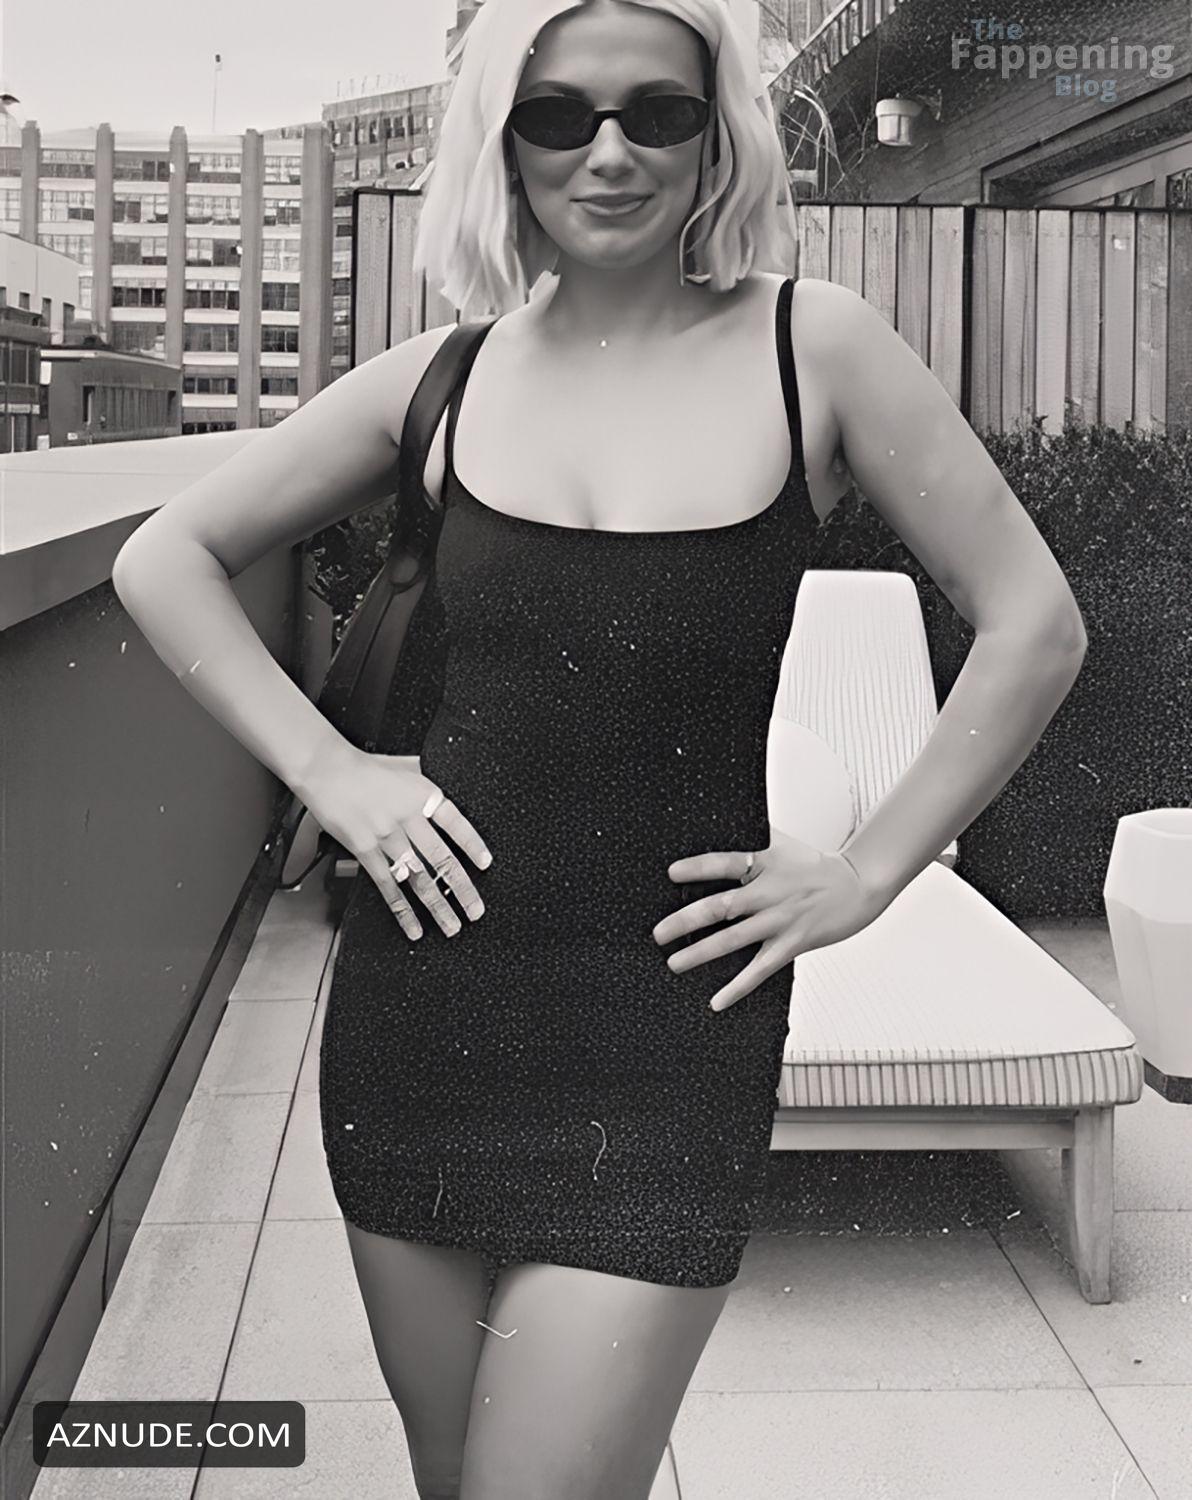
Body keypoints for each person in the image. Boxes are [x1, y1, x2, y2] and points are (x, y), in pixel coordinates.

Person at [111, 1, 1088, 1495]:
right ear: (504, 142)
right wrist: (334, 773)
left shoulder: (814, 347)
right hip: (420, 1014)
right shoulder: (444, 381)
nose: (611, 152)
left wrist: (869, 872)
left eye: (659, 112)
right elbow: (162, 557)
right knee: (454, 1475)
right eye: (560, 115)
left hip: (666, 1034)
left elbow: (1035, 625)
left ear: (718, 137)